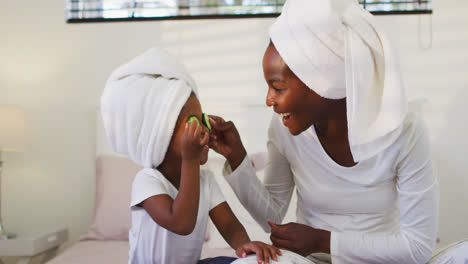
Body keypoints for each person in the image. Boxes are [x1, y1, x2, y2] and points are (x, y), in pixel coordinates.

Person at [208, 0, 439, 263]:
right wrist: (237, 157)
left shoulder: (403, 130)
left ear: (322, 82)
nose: (269, 100)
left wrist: (323, 240)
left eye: (278, 87)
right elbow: (269, 214)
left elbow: (418, 247)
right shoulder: (284, 129)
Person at [100, 47, 281, 264]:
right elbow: (181, 222)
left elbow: (229, 225)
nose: (205, 129)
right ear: (160, 138)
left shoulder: (206, 180)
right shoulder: (147, 181)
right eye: (193, 124)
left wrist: (243, 245)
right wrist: (190, 161)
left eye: (202, 119)